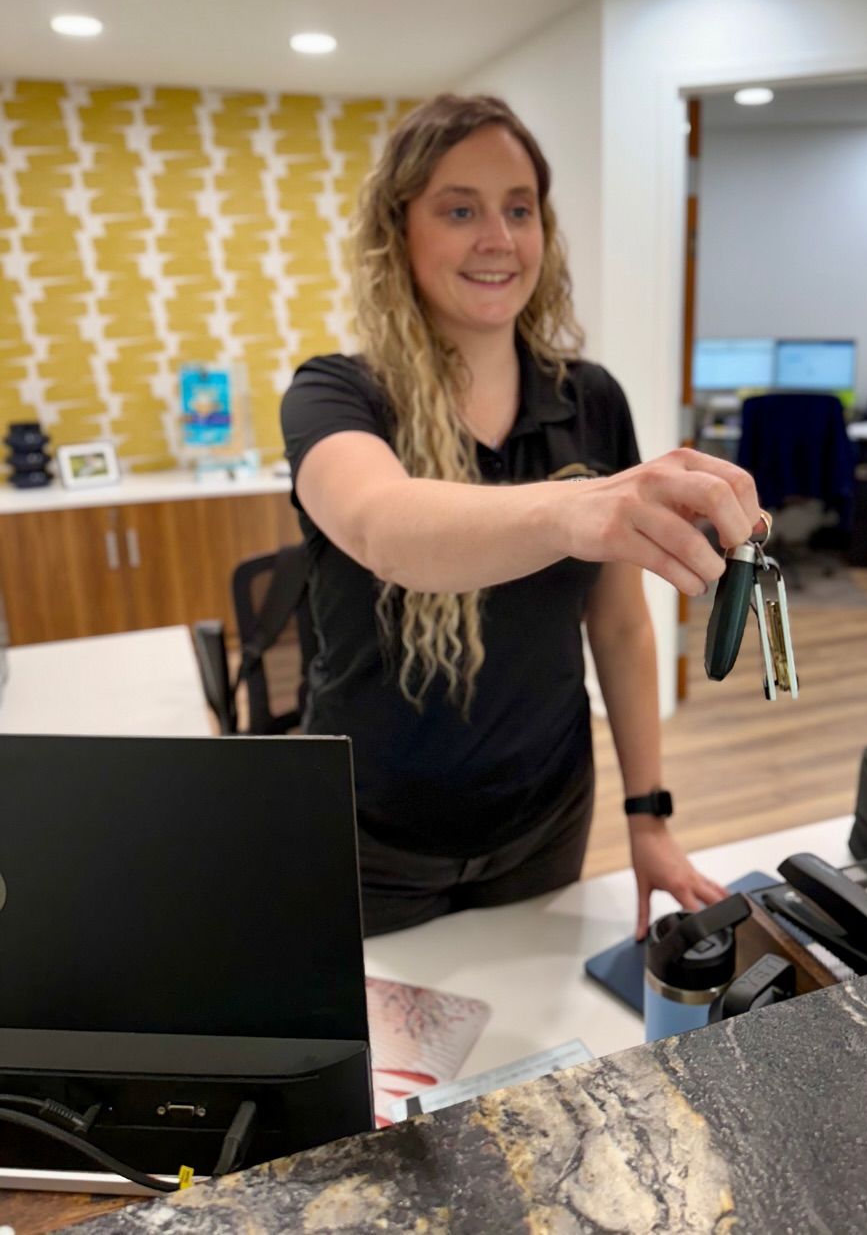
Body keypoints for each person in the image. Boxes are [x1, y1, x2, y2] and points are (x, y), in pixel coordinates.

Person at [281, 93, 762, 939]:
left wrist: (648, 816)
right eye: (459, 209)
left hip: (541, 823)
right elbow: (381, 526)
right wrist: (579, 510)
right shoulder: (336, 393)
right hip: (363, 836)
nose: (498, 239)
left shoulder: (590, 400)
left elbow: (619, 628)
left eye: (519, 209)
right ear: (400, 233)